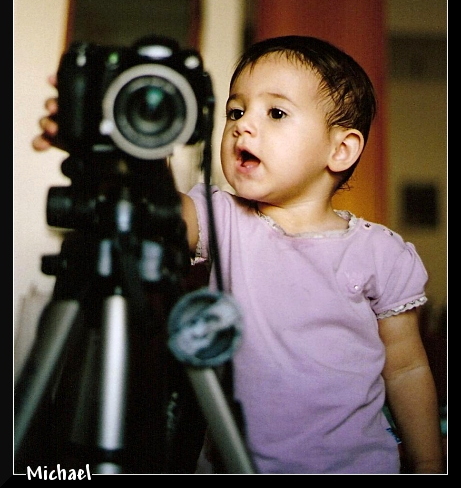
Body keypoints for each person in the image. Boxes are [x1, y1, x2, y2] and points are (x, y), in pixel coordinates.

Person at [32, 35, 444, 474]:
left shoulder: (380, 253)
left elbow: (405, 369)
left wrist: (429, 463)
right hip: (234, 464)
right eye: (235, 111)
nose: (243, 125)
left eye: (276, 113)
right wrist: (107, 138)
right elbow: (157, 209)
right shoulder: (222, 217)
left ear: (340, 150)